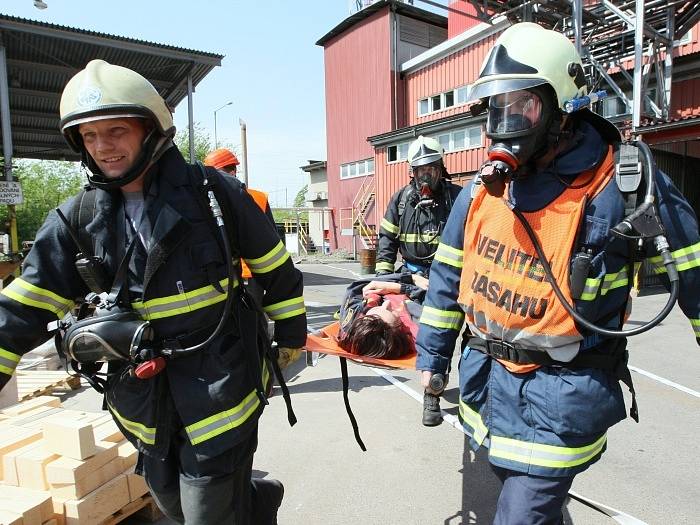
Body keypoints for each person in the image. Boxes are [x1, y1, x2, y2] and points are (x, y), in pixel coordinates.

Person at [0, 60, 307, 524]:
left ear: (152, 130)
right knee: (174, 508)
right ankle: (258, 501)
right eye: (89, 136)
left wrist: (290, 339)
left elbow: (277, 271)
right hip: (144, 406)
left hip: (221, 392)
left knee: (207, 514)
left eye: (116, 130)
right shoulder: (76, 219)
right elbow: (20, 309)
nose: (103, 147)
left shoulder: (214, 194)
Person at [415, 23, 700, 524]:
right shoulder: (480, 194)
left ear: (560, 108)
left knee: (520, 515)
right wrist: (433, 358)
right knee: (523, 501)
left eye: (520, 107)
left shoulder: (625, 183)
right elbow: (446, 279)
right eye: (495, 109)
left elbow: (695, 273)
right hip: (488, 385)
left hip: (562, 395)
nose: (503, 125)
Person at [375, 135, 462, 277]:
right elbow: (387, 239)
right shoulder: (401, 199)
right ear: (413, 173)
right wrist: (383, 275)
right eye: (421, 171)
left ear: (441, 170)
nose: (426, 177)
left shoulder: (457, 197)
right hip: (411, 275)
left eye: (431, 170)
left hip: (448, 278)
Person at [338, 272, 428, 359]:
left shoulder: (351, 321)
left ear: (363, 317)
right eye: (392, 311)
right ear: (402, 331)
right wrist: (403, 286)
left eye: (378, 308)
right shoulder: (418, 329)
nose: (387, 303)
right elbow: (436, 301)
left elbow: (355, 287)